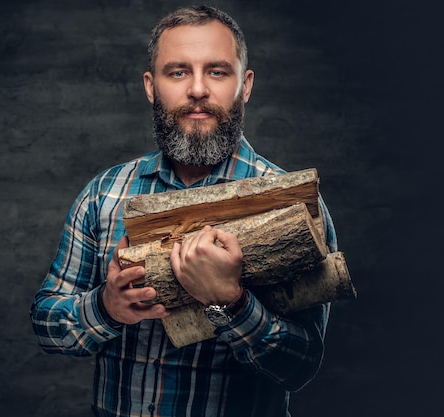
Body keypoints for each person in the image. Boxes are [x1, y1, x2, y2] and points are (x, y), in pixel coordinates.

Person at [31, 5, 338, 417]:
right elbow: (47, 324)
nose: (197, 89)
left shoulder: (295, 207)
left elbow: (299, 368)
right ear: (150, 86)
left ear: (244, 85)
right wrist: (106, 307)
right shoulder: (103, 195)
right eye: (177, 72)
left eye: (217, 71)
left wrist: (229, 304)